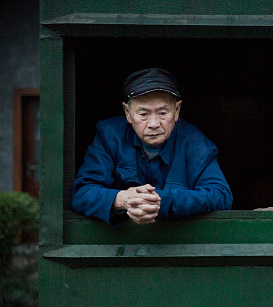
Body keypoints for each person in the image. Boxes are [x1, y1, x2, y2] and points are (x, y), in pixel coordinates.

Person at [71, 68, 233, 226]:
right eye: (143, 114)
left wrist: (160, 202)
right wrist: (121, 199)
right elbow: (81, 193)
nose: (154, 124)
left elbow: (221, 195)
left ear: (177, 111)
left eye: (163, 113)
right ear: (128, 113)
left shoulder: (193, 141)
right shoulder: (109, 135)